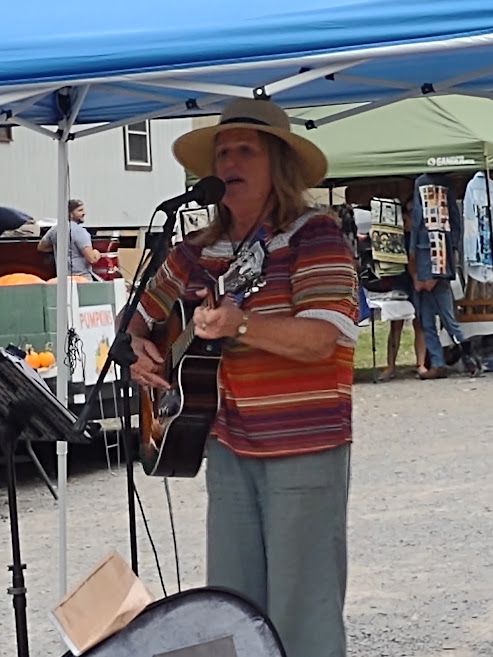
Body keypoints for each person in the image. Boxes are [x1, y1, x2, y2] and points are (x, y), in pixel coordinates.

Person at [125, 98, 358, 657]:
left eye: (244, 151)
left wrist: (242, 324)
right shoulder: (193, 252)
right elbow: (138, 318)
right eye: (222, 152)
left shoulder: (315, 236)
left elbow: (323, 337)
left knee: (303, 610)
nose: (228, 161)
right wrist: (138, 348)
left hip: (303, 443)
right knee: (231, 608)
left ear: (279, 164)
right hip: (227, 443)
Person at [410, 173, 480, 379]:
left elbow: (420, 222)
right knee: (428, 320)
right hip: (431, 263)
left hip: (432, 264)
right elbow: (451, 225)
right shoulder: (441, 186)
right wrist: (417, 274)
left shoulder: (425, 184)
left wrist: (433, 274)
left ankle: (467, 359)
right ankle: (439, 363)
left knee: (445, 319)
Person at [379, 195, 427, 381]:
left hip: (416, 279)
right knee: (396, 323)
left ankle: (420, 364)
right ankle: (391, 365)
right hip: (401, 280)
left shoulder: (419, 235)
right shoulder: (397, 236)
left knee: (419, 323)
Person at [37, 199, 101, 280]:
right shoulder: (80, 231)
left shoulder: (55, 229)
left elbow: (41, 247)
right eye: (80, 210)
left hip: (62, 280)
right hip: (82, 278)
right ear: (70, 214)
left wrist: (61, 248)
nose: (84, 213)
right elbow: (92, 259)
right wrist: (96, 253)